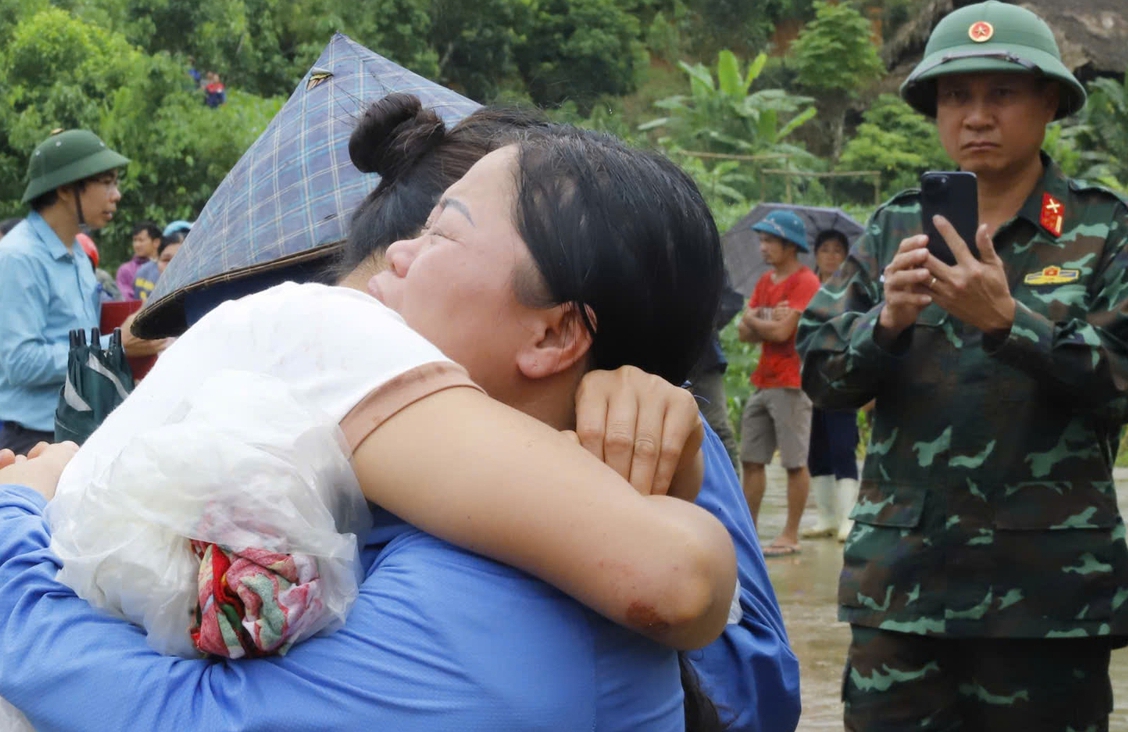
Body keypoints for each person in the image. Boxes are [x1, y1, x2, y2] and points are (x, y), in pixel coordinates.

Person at [0, 101, 800, 731]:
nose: (395, 260)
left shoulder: (491, 598)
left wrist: (18, 520)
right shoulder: (475, 521)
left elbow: (183, 716)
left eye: (441, 233)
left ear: (554, 332)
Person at [796, 2, 1128, 730]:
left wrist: (1010, 322)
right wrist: (886, 324)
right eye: (955, 95)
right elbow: (821, 375)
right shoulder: (891, 230)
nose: (975, 116)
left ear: (1049, 103)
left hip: (1047, 599)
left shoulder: (1106, 229)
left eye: (1000, 93)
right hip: (900, 593)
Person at [0, 130, 129, 456]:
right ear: (64, 188)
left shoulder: (77, 256)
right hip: (33, 441)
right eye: (106, 182)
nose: (116, 195)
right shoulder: (19, 257)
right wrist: (113, 345)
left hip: (81, 430)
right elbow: (20, 362)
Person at [737, 210, 821, 557]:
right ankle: (749, 532)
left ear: (789, 245)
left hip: (791, 380)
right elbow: (743, 334)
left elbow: (784, 332)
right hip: (763, 380)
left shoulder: (805, 282)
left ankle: (790, 534)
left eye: (769, 240)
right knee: (751, 458)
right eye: (762, 240)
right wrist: (758, 322)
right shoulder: (764, 282)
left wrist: (756, 320)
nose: (763, 247)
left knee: (793, 460)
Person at [800, 230, 861, 543]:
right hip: (807, 379)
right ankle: (826, 517)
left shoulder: (853, 290)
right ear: (816, 253)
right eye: (825, 249)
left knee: (842, 446)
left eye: (838, 250)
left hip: (839, 377)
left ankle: (848, 518)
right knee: (816, 450)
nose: (831, 255)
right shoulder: (806, 287)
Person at [688, 271, 744, 472]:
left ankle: (732, 491)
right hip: (660, 356)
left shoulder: (703, 252)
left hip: (704, 358)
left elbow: (733, 298)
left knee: (717, 427)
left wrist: (703, 317)